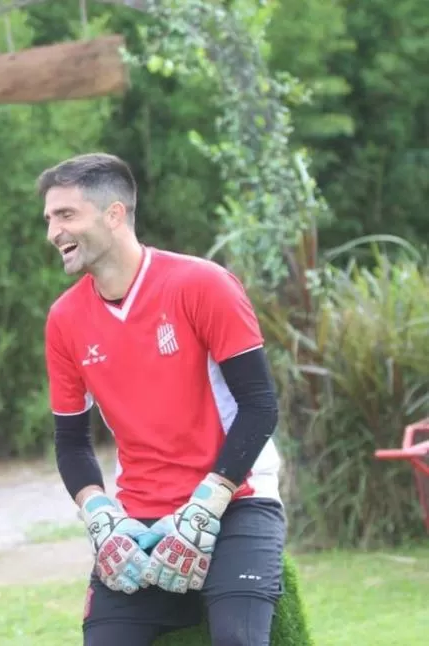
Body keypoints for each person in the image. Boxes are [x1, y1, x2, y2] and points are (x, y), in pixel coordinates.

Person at [39, 152, 286, 646]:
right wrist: (100, 515)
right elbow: (71, 444)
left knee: (238, 640)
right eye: (48, 219)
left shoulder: (203, 285)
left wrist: (206, 505)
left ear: (114, 215)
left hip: (237, 497)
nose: (52, 232)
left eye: (66, 215)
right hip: (139, 512)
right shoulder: (64, 320)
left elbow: (261, 405)